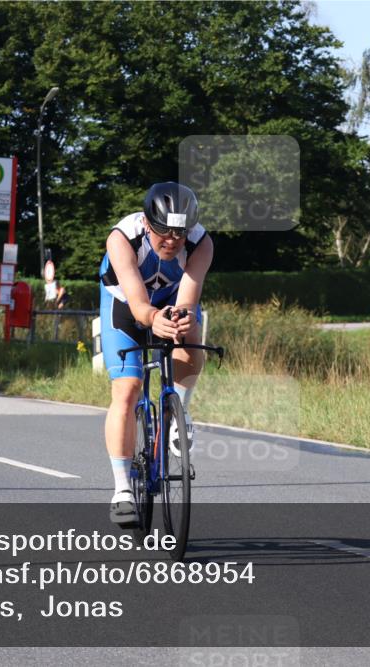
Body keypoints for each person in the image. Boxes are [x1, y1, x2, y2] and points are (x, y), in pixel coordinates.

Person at [98, 182, 213, 526]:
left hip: (172, 301)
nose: (172, 241)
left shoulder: (201, 243)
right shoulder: (122, 239)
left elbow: (188, 299)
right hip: (123, 305)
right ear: (147, 224)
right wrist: (151, 318)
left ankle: (179, 411)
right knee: (128, 389)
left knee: (189, 333)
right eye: (164, 232)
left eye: (180, 233)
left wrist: (179, 321)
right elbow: (136, 303)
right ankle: (121, 490)